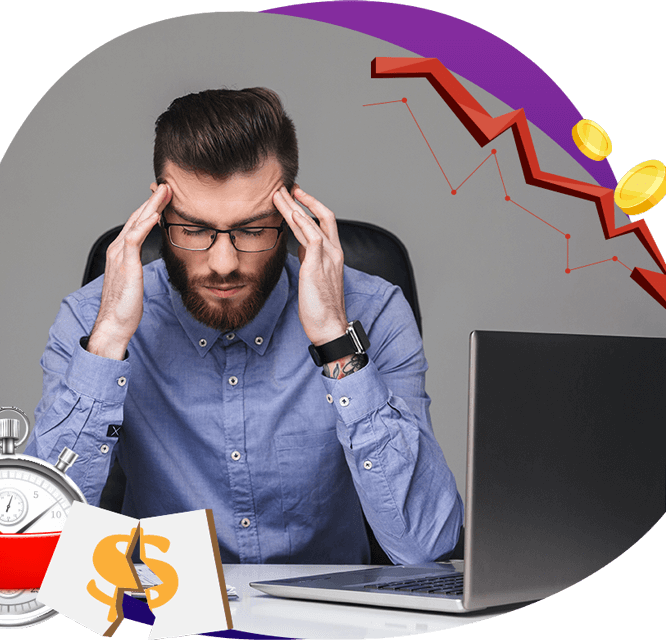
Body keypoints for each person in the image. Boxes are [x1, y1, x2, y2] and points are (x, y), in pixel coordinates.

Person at [25, 87, 463, 565]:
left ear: (292, 215)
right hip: (163, 616)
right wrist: (108, 339)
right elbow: (38, 539)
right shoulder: (91, 320)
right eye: (193, 229)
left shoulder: (373, 311)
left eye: (253, 229)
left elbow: (426, 546)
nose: (223, 263)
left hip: (331, 627)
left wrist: (337, 344)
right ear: (157, 213)